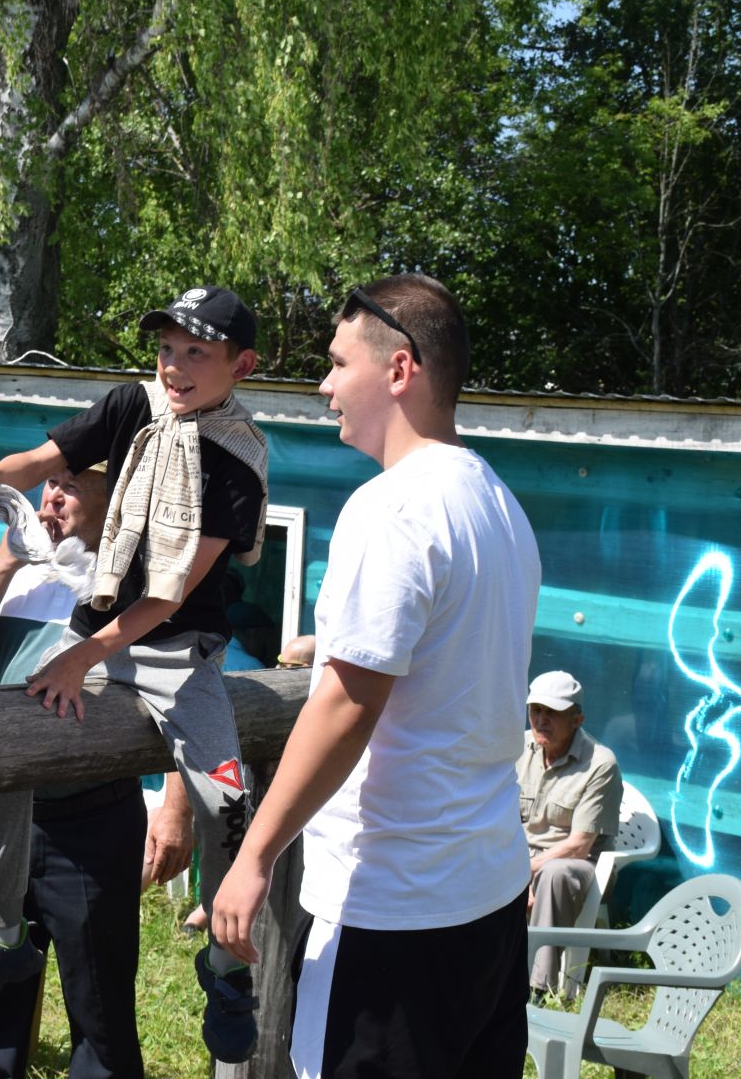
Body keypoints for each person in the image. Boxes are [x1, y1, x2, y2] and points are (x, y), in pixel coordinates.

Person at [211, 275, 540, 1078]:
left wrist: (253, 856)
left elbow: (348, 705)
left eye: (336, 362)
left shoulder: (391, 507)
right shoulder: (497, 503)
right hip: (487, 896)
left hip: (393, 908)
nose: (324, 385)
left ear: (400, 371)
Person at [0, 284, 271, 1065]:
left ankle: (227, 968)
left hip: (175, 648)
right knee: (13, 745)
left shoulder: (236, 460)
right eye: (166, 348)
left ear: (242, 364)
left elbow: (168, 595)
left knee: (230, 799)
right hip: (98, 629)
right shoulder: (132, 405)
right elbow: (41, 457)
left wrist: (80, 655)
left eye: (197, 352)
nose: (175, 365)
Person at [0, 465, 192, 1079]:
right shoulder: (22, 576)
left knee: (100, 1021)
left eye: (71, 483)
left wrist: (176, 810)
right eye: (51, 481)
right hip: (10, 828)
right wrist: (7, 556)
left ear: (116, 496)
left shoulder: (143, 591)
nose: (52, 494)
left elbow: (189, 694)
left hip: (94, 822)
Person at [519, 669, 623, 999]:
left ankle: (538, 988)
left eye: (553, 713)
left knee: (555, 874)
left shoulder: (600, 763)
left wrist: (524, 872)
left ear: (577, 720)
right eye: (536, 710)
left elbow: (579, 846)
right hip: (520, 857)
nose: (541, 720)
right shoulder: (517, 746)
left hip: (578, 867)